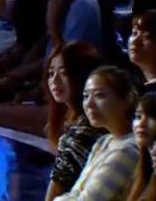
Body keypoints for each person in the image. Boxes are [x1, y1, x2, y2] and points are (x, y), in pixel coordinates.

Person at [55, 66, 139, 200]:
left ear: (127, 99)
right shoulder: (104, 141)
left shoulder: (128, 149)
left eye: (100, 95)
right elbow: (75, 193)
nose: (89, 104)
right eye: (86, 96)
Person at [44, 41, 105, 200]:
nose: (54, 80)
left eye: (64, 73)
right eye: (51, 73)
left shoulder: (85, 130)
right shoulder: (68, 119)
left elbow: (59, 183)